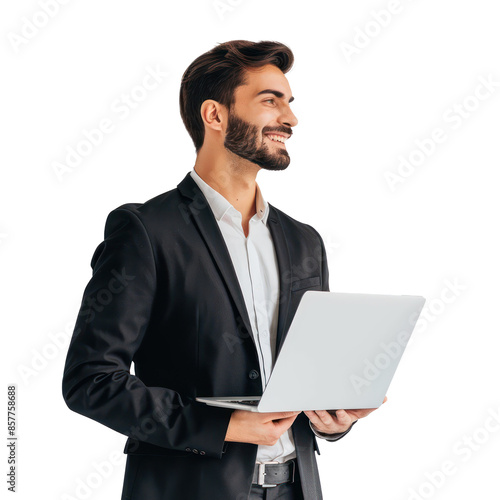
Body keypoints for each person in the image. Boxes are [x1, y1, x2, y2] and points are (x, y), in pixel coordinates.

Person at [62, 40, 385, 500]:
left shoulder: (303, 241)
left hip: (298, 488)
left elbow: (308, 377)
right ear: (214, 115)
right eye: (270, 101)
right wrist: (222, 425)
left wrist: (335, 419)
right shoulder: (147, 231)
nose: (290, 120)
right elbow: (91, 380)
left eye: (289, 103)